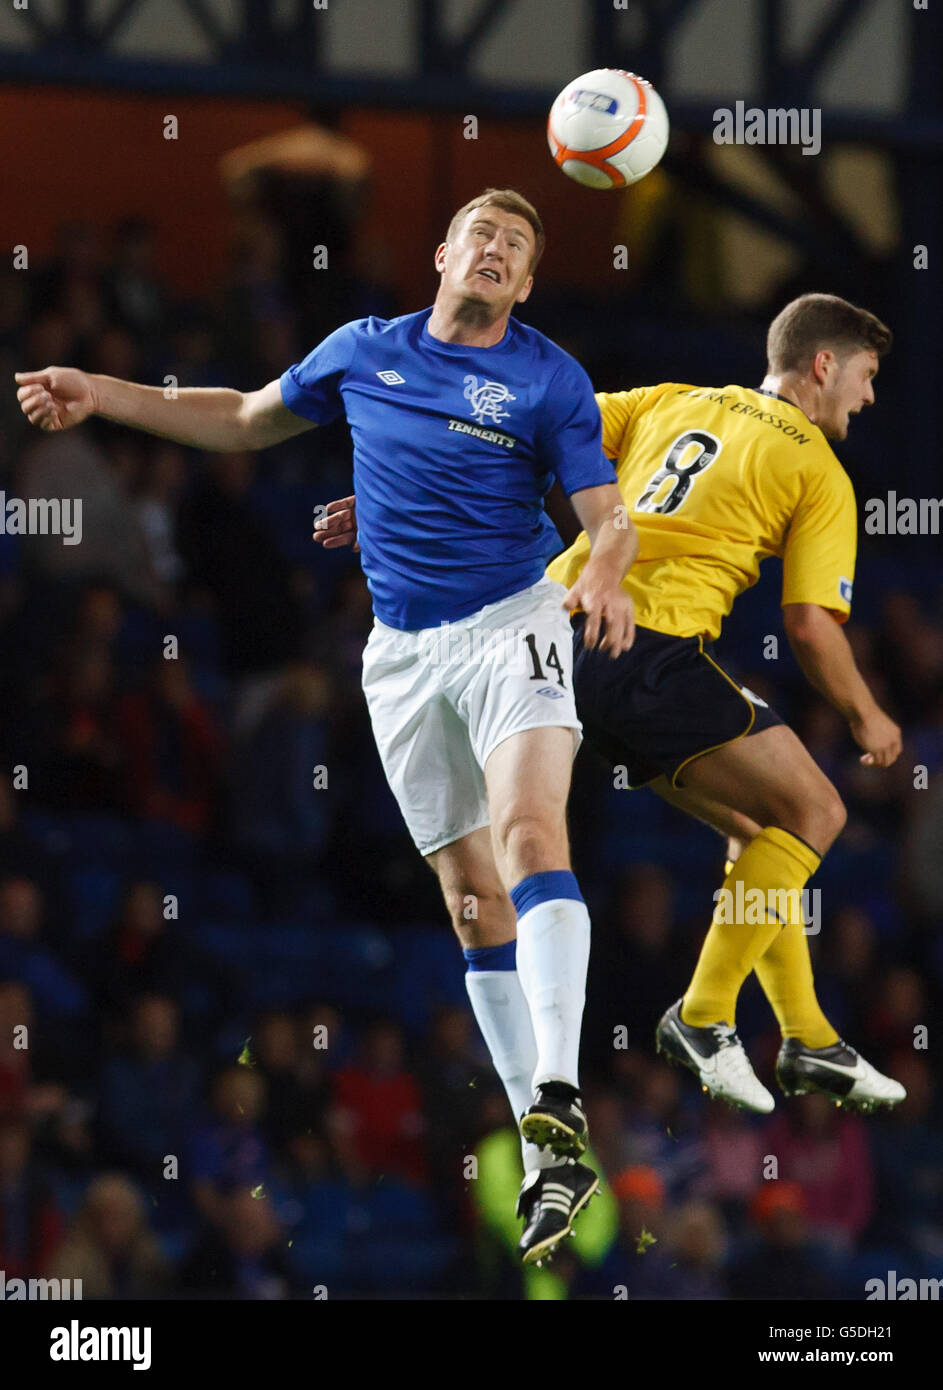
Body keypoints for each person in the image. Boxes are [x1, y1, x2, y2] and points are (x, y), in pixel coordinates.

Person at [16, 187, 637, 1265]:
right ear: (441, 253)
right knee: (467, 896)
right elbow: (248, 417)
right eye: (481, 235)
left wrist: (610, 580)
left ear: (527, 283)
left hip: (512, 624)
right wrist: (103, 393)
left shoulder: (547, 375)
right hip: (399, 654)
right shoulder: (362, 350)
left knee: (532, 836)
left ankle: (558, 1096)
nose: (494, 251)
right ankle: (546, 1151)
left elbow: (605, 517)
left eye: (517, 247)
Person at [317, 293, 907, 1116]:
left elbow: (520, 433)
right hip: (643, 646)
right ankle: (702, 1017)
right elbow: (809, 627)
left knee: (756, 831)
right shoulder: (817, 470)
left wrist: (397, 495)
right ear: (822, 365)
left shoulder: (673, 399)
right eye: (866, 376)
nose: (869, 396)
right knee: (816, 811)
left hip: (543, 639)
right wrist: (866, 716)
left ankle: (806, 1038)